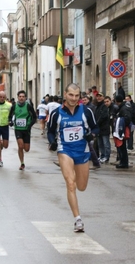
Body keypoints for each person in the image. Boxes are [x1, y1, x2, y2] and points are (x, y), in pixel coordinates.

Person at [47, 83, 99, 232]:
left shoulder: (86, 111)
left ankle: (76, 172)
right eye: (71, 95)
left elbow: (96, 128)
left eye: (77, 96)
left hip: (82, 151)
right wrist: (52, 142)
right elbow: (50, 131)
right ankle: (78, 219)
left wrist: (92, 135)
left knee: (81, 187)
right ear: (65, 94)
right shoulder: (57, 113)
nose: (74, 98)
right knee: (71, 183)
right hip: (65, 150)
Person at [9, 90, 37, 170]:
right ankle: (22, 163)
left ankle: (22, 159)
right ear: (18, 97)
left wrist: (30, 125)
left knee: (27, 149)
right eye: (20, 97)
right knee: (20, 146)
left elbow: (34, 117)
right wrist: (10, 121)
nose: (21, 98)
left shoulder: (28, 106)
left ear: (25, 98)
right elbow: (10, 116)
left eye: (23, 97)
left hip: (26, 129)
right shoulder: (14, 106)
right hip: (18, 129)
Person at [114, 95, 132, 168]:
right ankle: (123, 161)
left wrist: (122, 125)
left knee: (122, 147)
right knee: (122, 146)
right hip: (121, 129)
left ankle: (124, 162)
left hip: (122, 130)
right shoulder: (123, 107)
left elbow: (127, 118)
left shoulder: (123, 109)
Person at [95, 92, 110, 163]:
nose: (98, 97)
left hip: (104, 128)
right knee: (100, 144)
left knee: (105, 143)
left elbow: (103, 116)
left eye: (100, 96)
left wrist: (97, 123)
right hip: (99, 129)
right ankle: (102, 156)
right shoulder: (97, 106)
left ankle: (106, 156)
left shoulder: (104, 106)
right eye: (97, 96)